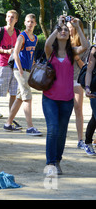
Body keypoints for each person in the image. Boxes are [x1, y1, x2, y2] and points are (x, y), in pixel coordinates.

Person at [43, 15, 87, 176]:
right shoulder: (51, 52)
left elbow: (86, 45)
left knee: (61, 132)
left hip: (67, 99)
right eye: (60, 30)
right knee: (53, 129)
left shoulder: (72, 52)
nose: (63, 31)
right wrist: (58, 25)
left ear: (69, 34)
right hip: (49, 98)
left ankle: (57, 160)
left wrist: (76, 26)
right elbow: (48, 43)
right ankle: (50, 163)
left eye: (65, 30)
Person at [4, 13, 42, 136]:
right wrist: (20, 69)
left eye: (32, 22)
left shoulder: (35, 38)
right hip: (20, 70)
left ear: (35, 24)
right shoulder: (22, 36)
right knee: (28, 97)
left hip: (28, 70)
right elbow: (15, 53)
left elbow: (31, 56)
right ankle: (30, 127)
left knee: (20, 98)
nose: (30, 24)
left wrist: (34, 67)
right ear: (25, 23)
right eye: (28, 21)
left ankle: (8, 123)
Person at [67, 18, 90, 148]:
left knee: (78, 109)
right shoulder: (63, 41)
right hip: (63, 80)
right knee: (63, 110)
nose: (69, 29)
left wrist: (76, 57)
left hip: (76, 80)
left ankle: (80, 139)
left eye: (72, 27)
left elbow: (85, 68)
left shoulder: (84, 44)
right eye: (68, 26)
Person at [84, 45, 96, 156]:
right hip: (95, 91)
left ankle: (88, 141)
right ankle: (88, 143)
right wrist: (87, 87)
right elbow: (89, 71)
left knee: (94, 118)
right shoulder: (95, 49)